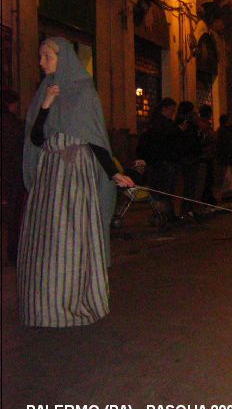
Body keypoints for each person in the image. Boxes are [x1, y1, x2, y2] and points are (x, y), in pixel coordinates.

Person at [19, 37, 134, 327]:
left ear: (63, 59)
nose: (41, 62)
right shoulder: (43, 91)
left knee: (71, 237)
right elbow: (35, 139)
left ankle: (76, 301)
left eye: (47, 56)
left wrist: (113, 172)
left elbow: (95, 141)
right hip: (49, 176)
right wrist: (46, 106)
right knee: (46, 240)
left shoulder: (84, 93)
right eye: (41, 56)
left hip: (75, 176)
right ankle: (46, 306)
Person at [1, 89, 25, 266]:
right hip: (12, 174)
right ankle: (13, 251)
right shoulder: (14, 125)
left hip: (7, 173)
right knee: (13, 215)